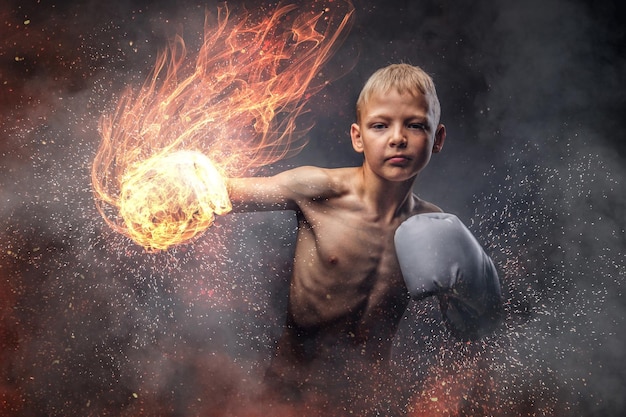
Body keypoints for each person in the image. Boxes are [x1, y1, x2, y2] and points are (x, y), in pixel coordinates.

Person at [225, 63, 501, 414]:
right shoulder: (319, 191)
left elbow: (472, 331)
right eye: (380, 125)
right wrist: (176, 182)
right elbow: (222, 192)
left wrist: (480, 309)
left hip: (367, 404)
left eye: (415, 125)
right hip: (288, 397)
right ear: (358, 136)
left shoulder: (435, 228)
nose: (397, 138)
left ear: (438, 138)